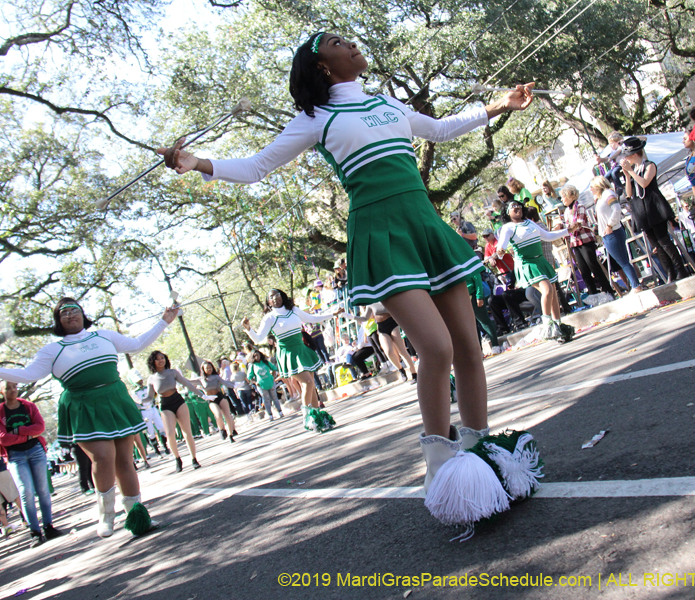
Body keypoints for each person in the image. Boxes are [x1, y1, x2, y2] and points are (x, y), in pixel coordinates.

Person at [159, 32, 543, 527]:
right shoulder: (316, 119)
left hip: (423, 222)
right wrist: (198, 163)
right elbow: (257, 167)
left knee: (469, 348)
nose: (354, 43)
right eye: (340, 41)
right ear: (322, 66)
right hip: (381, 233)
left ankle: (483, 458)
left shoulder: (386, 101)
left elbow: (442, 129)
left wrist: (499, 105)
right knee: (437, 348)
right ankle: (443, 468)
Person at [0, 298, 176, 538]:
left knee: (125, 460)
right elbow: (29, 374)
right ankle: (106, 515)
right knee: (103, 458)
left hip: (115, 398)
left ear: (83, 314)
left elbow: (135, 345)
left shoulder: (103, 335)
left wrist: (163, 322)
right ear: (58, 320)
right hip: (82, 405)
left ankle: (137, 517)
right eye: (64, 313)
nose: (71, 315)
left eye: (75, 310)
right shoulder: (53, 350)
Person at [243, 289, 340, 432]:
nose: (275, 298)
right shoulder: (269, 317)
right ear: (268, 301)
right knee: (306, 382)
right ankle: (307, 416)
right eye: (271, 297)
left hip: (302, 350)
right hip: (287, 354)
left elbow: (312, 318)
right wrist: (248, 329)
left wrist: (333, 314)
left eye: (277, 295)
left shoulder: (293, 310)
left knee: (311, 384)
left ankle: (318, 418)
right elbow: (258, 339)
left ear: (282, 296)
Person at [0, 381, 61, 547]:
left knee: (43, 489)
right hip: (15, 455)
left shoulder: (28, 406)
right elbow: (2, 438)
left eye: (14, 386)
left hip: (35, 451)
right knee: (25, 491)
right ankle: (35, 531)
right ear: (1, 392)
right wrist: (28, 434)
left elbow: (40, 427)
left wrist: (17, 431)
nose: (13, 390)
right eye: (8, 388)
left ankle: (49, 526)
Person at [496, 199, 573, 342]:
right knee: (547, 290)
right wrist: (500, 251)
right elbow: (501, 246)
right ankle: (547, 324)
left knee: (554, 296)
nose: (517, 208)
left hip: (541, 261)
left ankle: (558, 327)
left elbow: (548, 236)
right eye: (513, 207)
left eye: (518, 205)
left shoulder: (529, 223)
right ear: (507, 212)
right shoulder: (508, 228)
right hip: (527, 264)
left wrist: (568, 231)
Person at [619, 137, 689, 282]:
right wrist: (627, 175)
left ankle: (680, 269)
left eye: (627, 155)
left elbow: (644, 183)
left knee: (664, 241)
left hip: (654, 207)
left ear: (634, 154)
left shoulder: (649, 165)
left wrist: (631, 171)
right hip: (641, 210)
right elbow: (629, 194)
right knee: (656, 245)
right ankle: (670, 272)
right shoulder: (633, 172)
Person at [145, 351, 205, 472]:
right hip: (165, 405)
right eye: (158, 359)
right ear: (153, 362)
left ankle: (194, 459)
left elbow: (187, 383)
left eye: (163, 358)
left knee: (187, 431)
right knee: (170, 434)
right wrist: (139, 401)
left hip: (178, 401)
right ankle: (177, 459)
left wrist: (202, 395)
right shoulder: (151, 379)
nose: (161, 360)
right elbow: (149, 397)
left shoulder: (172, 372)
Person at [559, 184, 614, 302]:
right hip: (575, 242)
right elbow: (568, 226)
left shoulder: (580, 206)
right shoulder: (566, 211)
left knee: (593, 266)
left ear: (570, 196)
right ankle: (593, 295)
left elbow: (578, 224)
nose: (562, 200)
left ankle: (609, 291)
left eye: (563, 197)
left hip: (585, 240)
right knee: (584, 271)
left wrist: (568, 228)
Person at [588, 176, 643, 292]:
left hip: (613, 232)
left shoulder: (608, 193)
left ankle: (635, 285)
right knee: (622, 261)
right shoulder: (601, 198)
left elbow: (617, 209)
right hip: (607, 234)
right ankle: (635, 284)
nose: (591, 189)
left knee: (623, 261)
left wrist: (609, 225)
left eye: (592, 186)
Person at [198, 361, 238, 442]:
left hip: (220, 396)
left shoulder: (216, 377)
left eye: (210, 367)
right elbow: (187, 382)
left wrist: (235, 386)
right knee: (218, 415)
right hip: (211, 399)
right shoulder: (201, 379)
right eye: (207, 368)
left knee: (227, 415)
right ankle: (221, 429)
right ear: (203, 369)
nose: (209, 369)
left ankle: (231, 435)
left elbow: (225, 383)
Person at [465, 270, 501, 354]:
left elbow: (477, 278)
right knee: (473, 325)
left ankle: (495, 345)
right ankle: (479, 351)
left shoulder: (466, 261)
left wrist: (479, 296)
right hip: (463, 298)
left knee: (484, 321)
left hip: (474, 295)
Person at [247, 350, 284, 421]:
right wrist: (255, 382)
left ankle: (280, 412)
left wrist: (273, 376)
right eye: (255, 356)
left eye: (258, 355)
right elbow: (249, 377)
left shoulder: (266, 362)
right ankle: (270, 415)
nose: (257, 357)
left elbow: (274, 368)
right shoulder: (252, 365)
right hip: (261, 385)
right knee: (266, 399)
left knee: (274, 397)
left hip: (270, 382)